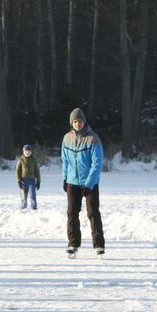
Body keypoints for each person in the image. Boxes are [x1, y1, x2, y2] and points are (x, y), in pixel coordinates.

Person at [62, 108, 105, 256]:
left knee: (93, 213)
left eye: (79, 121)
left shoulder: (93, 139)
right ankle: (73, 244)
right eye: (75, 121)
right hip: (72, 182)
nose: (77, 124)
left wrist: (89, 183)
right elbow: (65, 161)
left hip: (90, 183)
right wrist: (65, 178)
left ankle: (99, 245)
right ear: (71, 123)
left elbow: (97, 163)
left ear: (84, 122)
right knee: (72, 213)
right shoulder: (67, 138)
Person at [15, 144, 41, 210]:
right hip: (23, 180)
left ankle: (34, 206)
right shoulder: (21, 160)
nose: (27, 152)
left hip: (32, 180)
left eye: (29, 151)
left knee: (33, 194)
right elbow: (17, 171)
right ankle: (23, 206)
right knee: (23, 194)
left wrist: (38, 181)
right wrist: (19, 180)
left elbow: (37, 171)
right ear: (23, 151)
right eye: (26, 151)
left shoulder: (33, 160)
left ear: (31, 152)